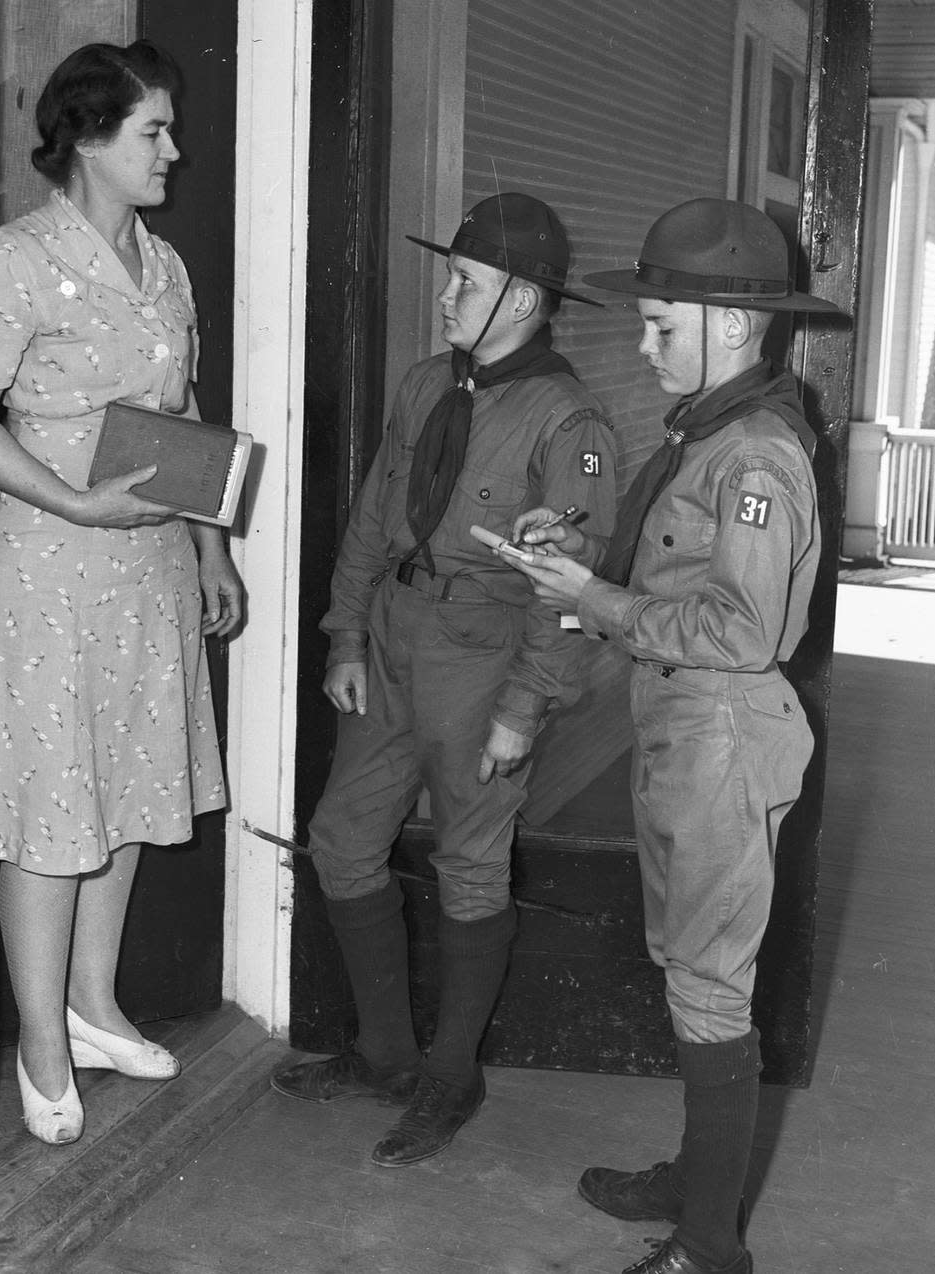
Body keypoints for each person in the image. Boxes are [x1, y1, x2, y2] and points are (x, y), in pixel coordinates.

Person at [498, 199, 842, 1274]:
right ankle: (701, 1176)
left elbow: (743, 631)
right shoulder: (711, 429)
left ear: (734, 325)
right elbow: (675, 563)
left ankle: (708, 1243)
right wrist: (578, 545)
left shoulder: (755, 457)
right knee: (688, 968)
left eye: (660, 326)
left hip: (724, 738)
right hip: (684, 732)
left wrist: (593, 598)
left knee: (708, 984)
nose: (643, 348)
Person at [271, 192, 618, 1166]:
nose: (448, 293)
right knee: (342, 838)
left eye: (466, 280)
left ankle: (450, 1074)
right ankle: (383, 1054)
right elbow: (379, 514)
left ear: (519, 296)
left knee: (471, 861)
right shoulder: (428, 384)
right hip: (393, 636)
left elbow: (568, 589)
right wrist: (343, 635)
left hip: (487, 649)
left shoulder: (568, 420)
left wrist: (524, 704)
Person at [0, 41, 244, 1146]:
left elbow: (180, 415)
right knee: (51, 808)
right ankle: (39, 1041)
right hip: (48, 572)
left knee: (127, 789)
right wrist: (74, 503)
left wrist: (212, 544)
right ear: (89, 139)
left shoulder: (165, 265)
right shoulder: (15, 260)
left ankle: (92, 1006)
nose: (173, 149)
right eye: (153, 132)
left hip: (153, 574)